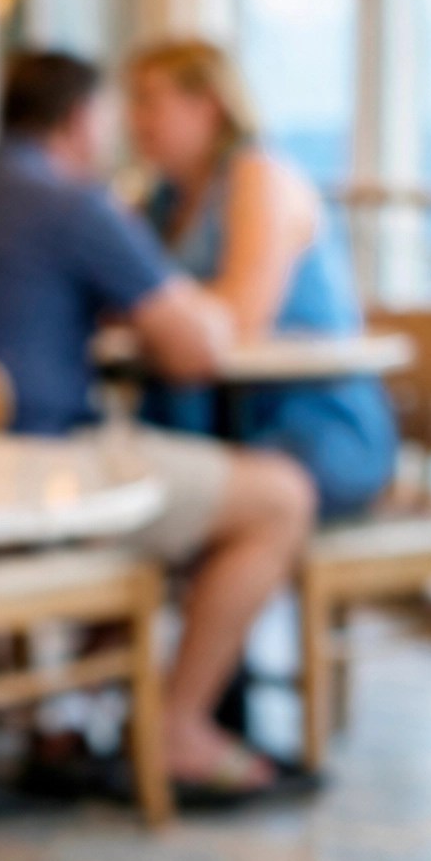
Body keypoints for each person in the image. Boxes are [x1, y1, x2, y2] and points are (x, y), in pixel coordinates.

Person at [0, 50, 316, 799]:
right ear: (80, 121)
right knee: (280, 498)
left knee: (172, 485)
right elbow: (193, 351)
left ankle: (69, 714)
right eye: (120, 113)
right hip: (33, 482)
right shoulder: (70, 202)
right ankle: (178, 729)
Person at [127, 38, 397, 518]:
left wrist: (155, 313)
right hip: (218, 424)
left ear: (207, 105)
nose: (136, 121)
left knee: (165, 500)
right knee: (132, 481)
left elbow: (240, 315)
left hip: (311, 428)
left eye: (150, 101)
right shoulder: (160, 200)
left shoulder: (259, 174)